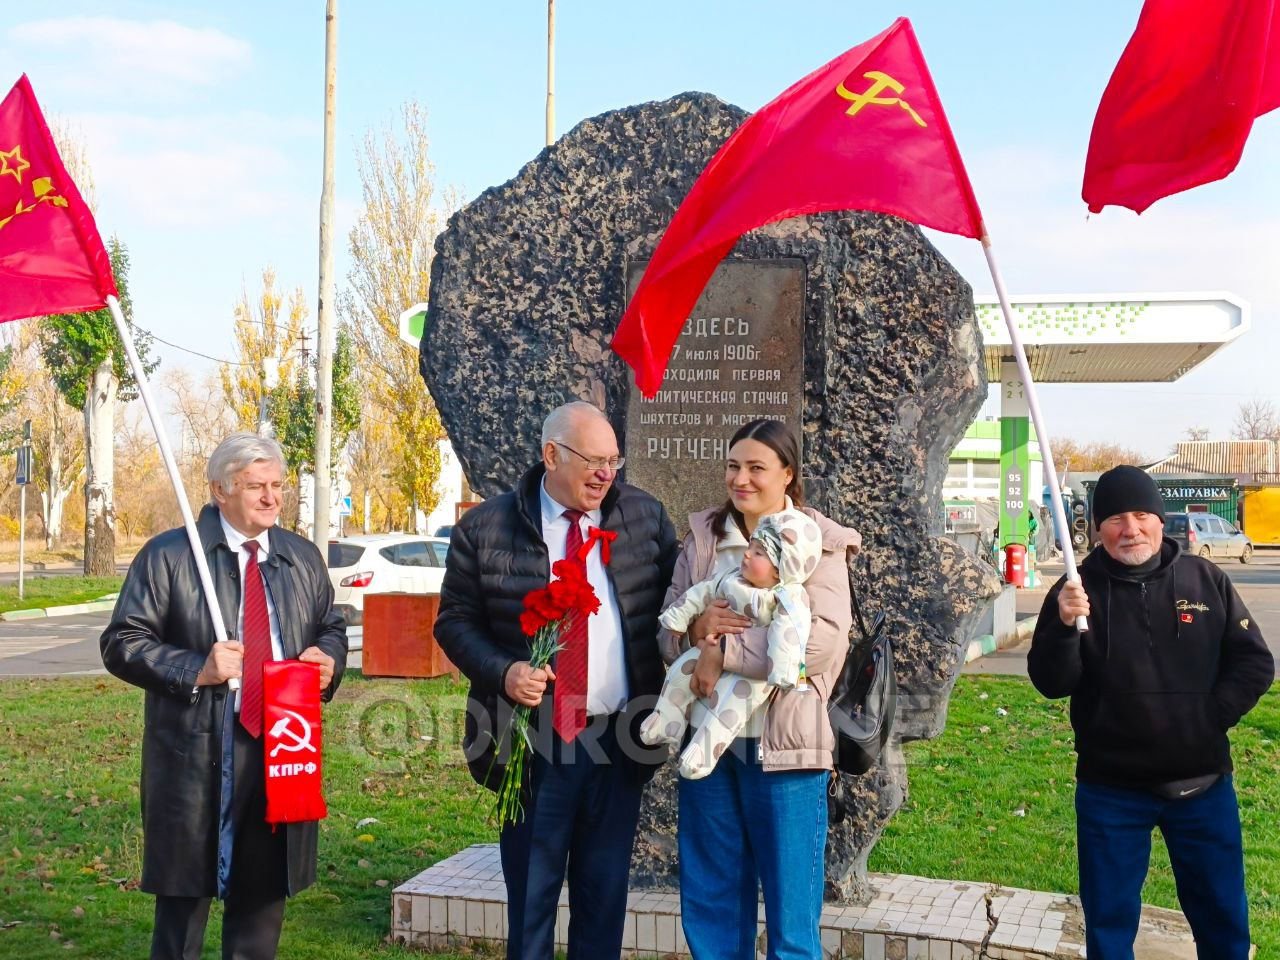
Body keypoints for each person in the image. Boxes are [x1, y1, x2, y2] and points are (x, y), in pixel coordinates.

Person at [435, 400, 678, 960]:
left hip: (617, 740)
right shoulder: (486, 527)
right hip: (532, 741)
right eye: (593, 460)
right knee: (532, 902)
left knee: (604, 897)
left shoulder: (642, 517)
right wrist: (504, 672)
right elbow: (454, 622)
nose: (605, 474)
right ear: (551, 455)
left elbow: (675, 600)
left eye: (614, 461)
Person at [100, 432, 348, 960]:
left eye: (278, 485)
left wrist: (329, 661)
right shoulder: (169, 555)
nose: (271, 498)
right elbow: (122, 642)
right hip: (196, 751)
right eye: (256, 486)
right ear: (220, 490)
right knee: (183, 913)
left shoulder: (300, 557)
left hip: (283, 748)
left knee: (260, 904)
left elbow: (331, 625)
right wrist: (198, 668)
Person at [1029, 465, 1274, 960]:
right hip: (1110, 793)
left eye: (1142, 515)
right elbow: (1052, 684)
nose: (1131, 529)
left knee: (1223, 919)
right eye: (1116, 518)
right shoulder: (1075, 590)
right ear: (1098, 528)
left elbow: (1254, 661)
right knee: (1109, 924)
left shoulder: (1206, 579)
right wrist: (1060, 624)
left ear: (1161, 521)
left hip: (1203, 788)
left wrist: (1209, 717)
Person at [661, 418, 860, 960]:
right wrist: (697, 634)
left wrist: (722, 653)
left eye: (756, 467)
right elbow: (669, 627)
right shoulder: (704, 539)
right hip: (710, 745)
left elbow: (821, 645)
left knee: (792, 921)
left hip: (787, 751)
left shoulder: (818, 542)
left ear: (788, 474)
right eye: (733, 466)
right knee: (713, 907)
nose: (740, 479)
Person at [642, 507, 823, 779]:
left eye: (760, 553)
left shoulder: (786, 597)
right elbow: (697, 594)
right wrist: (678, 621)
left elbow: (791, 635)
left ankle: (703, 752)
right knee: (681, 670)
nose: (748, 553)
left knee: (728, 709)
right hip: (706, 653)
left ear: (781, 569)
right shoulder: (731, 579)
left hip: (751, 678)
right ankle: (666, 718)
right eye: (751, 546)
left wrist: (782, 671)